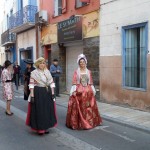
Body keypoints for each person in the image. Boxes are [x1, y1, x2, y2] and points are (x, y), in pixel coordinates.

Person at [66, 54, 102, 130]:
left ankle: (89, 121)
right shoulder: (76, 72)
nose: (82, 64)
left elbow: (90, 81)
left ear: (85, 63)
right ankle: (80, 122)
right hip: (79, 91)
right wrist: (73, 90)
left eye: (83, 62)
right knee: (79, 106)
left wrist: (92, 89)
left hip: (88, 91)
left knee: (89, 106)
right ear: (79, 64)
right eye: (80, 62)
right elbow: (74, 81)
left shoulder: (88, 71)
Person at [26, 57, 57, 135]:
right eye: (40, 63)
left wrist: (53, 93)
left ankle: (46, 127)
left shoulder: (47, 72)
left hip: (47, 92)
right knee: (39, 111)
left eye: (43, 63)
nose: (42, 64)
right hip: (38, 92)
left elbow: (51, 83)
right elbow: (31, 85)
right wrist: (32, 96)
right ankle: (40, 129)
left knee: (46, 111)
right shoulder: (34, 73)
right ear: (37, 64)